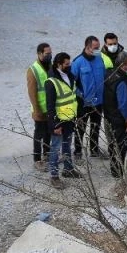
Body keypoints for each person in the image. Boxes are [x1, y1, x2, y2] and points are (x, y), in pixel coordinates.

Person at [44, 52, 82, 189]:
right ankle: (54, 176)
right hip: (59, 122)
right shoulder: (51, 82)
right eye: (66, 64)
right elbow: (50, 106)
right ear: (58, 64)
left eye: (69, 63)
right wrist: (55, 124)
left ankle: (68, 169)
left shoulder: (70, 76)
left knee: (67, 146)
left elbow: (71, 98)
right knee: (55, 149)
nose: (69, 66)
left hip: (70, 119)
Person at [103, 52, 127, 177]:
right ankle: (118, 172)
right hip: (120, 119)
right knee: (121, 146)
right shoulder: (123, 81)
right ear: (123, 65)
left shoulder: (109, 73)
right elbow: (123, 104)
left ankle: (114, 169)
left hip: (109, 115)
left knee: (112, 143)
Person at [70, 36, 106, 158]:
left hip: (98, 101)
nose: (98, 50)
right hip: (83, 102)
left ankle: (94, 150)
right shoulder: (77, 62)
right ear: (87, 47)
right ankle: (78, 151)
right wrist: (80, 95)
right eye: (95, 48)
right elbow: (70, 83)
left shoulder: (99, 58)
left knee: (96, 127)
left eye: (98, 47)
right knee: (80, 128)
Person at [27, 42, 52, 171]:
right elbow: (32, 92)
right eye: (47, 53)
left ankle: (47, 154)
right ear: (39, 54)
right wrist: (37, 110)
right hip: (40, 110)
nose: (50, 55)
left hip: (50, 108)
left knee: (49, 133)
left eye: (50, 53)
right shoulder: (33, 70)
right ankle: (37, 159)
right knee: (39, 134)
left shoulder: (50, 66)